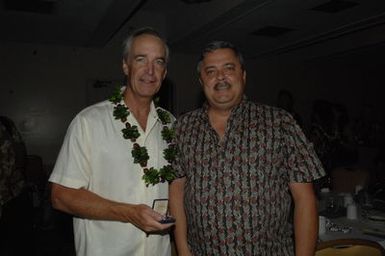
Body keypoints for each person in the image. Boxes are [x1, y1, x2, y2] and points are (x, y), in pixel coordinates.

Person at [169, 41, 325, 256]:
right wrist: (183, 251)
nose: (220, 76)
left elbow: (305, 199)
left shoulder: (280, 123)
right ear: (201, 80)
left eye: (229, 68)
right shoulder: (182, 127)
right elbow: (176, 191)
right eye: (211, 71)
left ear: (243, 75)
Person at [49, 27, 175, 256]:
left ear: (164, 72)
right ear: (125, 66)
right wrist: (128, 212)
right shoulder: (89, 122)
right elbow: (61, 196)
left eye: (158, 62)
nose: (150, 70)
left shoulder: (172, 126)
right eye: (141, 59)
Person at [0, 116, 35, 255]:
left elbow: (19, 157)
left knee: (18, 245)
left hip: (12, 197)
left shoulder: (6, 124)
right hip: (15, 194)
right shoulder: (6, 123)